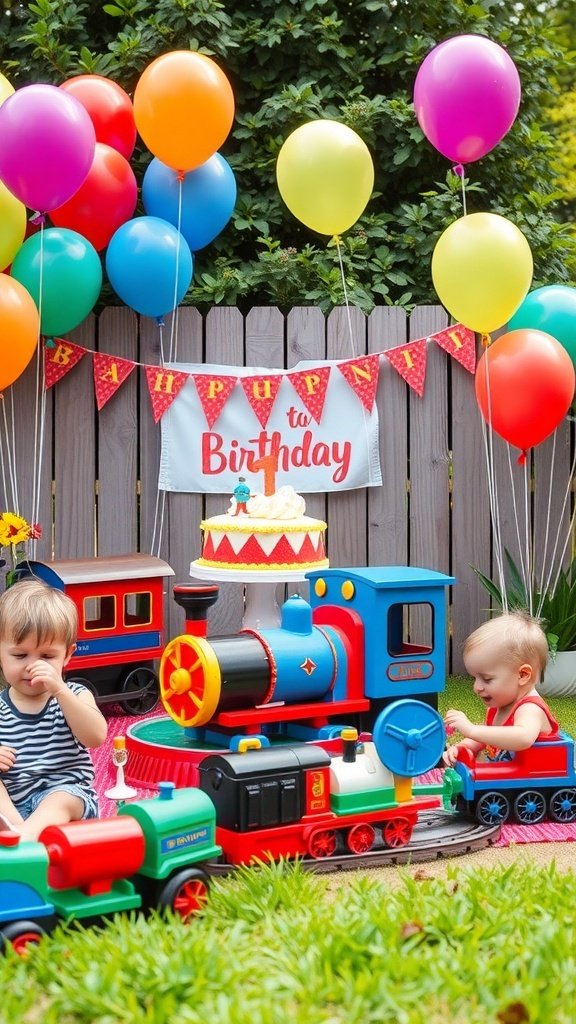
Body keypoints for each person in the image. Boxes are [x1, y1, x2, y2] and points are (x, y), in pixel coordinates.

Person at [0, 578, 107, 840]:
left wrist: (60, 690)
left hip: (67, 798)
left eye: (47, 657)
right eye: (20, 655)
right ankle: (15, 830)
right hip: (14, 805)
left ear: (67, 655)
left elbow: (96, 737)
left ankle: (23, 840)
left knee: (61, 798)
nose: (32, 666)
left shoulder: (75, 695)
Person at [443, 610, 559, 767]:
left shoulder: (530, 709)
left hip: (537, 775)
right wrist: (465, 746)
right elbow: (489, 736)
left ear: (523, 675)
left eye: (487, 679)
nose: (476, 687)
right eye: (474, 678)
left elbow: (523, 737)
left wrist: (471, 730)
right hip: (506, 775)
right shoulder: (500, 706)